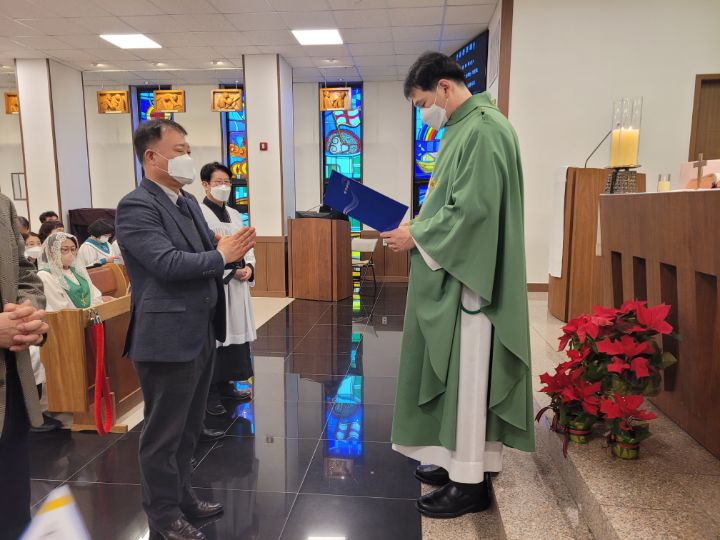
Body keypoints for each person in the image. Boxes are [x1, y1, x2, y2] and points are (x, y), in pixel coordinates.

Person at [382, 52, 534, 519]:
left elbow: (475, 212)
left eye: (422, 103)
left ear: (444, 87)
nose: (424, 114)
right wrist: (419, 228)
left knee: (470, 374)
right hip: (460, 268)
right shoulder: (463, 127)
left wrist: (416, 235)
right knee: (462, 376)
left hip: (473, 281)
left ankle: (470, 482)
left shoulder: (484, 129)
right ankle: (459, 460)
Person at [116, 118, 255, 540]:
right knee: (164, 434)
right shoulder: (137, 206)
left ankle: (183, 497)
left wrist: (228, 252)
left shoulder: (188, 201)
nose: (187, 158)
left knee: (189, 428)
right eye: (179, 151)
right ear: (151, 157)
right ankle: (162, 514)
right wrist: (222, 254)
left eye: (188, 150)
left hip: (200, 329)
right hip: (166, 337)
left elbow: (206, 249)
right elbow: (167, 263)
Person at [0, 193, 49, 538]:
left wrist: (26, 312)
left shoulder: (2, 204)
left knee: (13, 508)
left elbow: (24, 272)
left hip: (10, 383)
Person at [199, 162, 256, 416]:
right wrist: (230, 271)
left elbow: (246, 245)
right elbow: (202, 250)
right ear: (205, 185)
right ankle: (210, 394)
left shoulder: (234, 214)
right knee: (216, 338)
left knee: (235, 339)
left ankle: (227, 385)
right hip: (217, 284)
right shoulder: (199, 214)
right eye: (218, 182)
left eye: (227, 182)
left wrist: (249, 267)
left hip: (238, 285)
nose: (224, 187)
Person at [37, 232, 104, 311]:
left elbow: (95, 295)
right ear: (51, 253)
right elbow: (59, 306)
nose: (70, 254)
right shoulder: (45, 275)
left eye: (73, 249)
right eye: (65, 250)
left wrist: (92, 310)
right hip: (68, 317)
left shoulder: (78, 271)